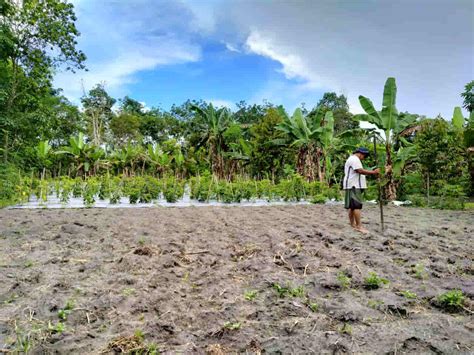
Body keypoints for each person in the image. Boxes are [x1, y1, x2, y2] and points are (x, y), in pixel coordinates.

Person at [343, 147, 379, 234]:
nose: (364, 158)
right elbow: (359, 170)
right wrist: (374, 172)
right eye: (364, 156)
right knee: (356, 206)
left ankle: (353, 225)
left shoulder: (352, 158)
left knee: (352, 206)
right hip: (354, 186)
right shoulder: (355, 159)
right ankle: (359, 226)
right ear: (360, 153)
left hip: (351, 185)